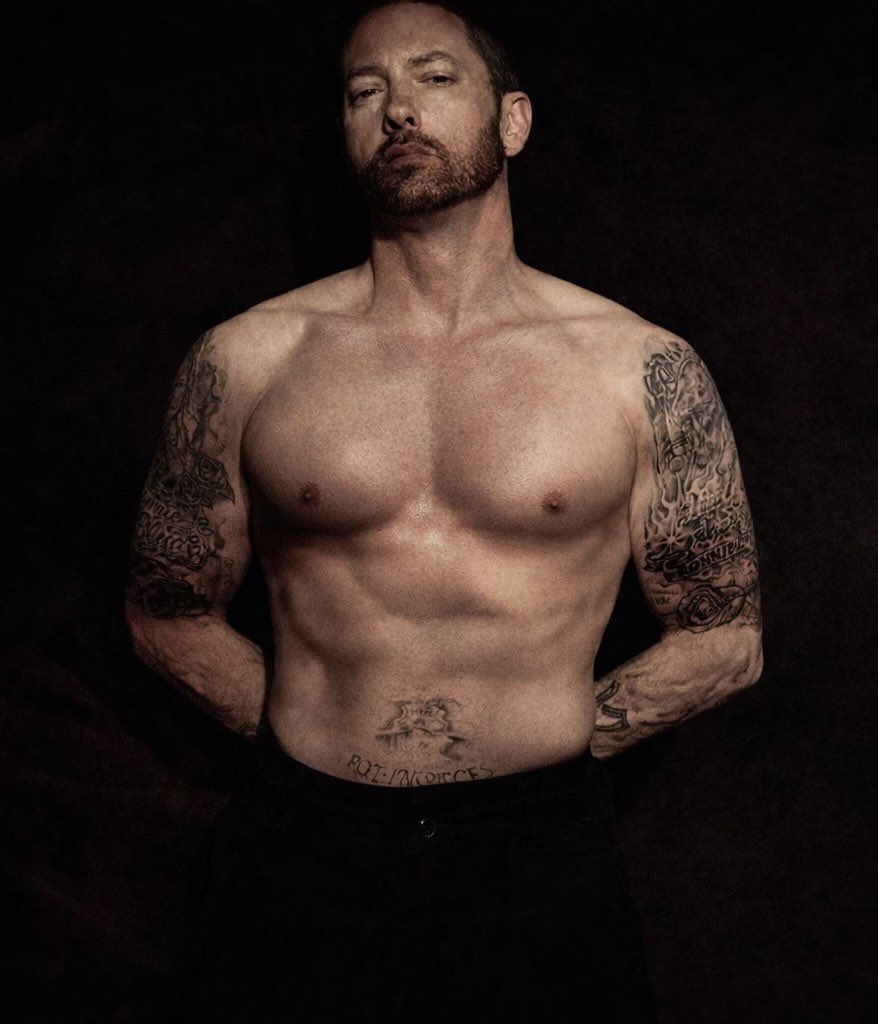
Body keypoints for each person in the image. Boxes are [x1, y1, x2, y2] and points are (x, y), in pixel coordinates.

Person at [126, 2, 763, 1020]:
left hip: (538, 851)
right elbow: (165, 610)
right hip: (301, 849)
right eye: (363, 90)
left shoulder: (638, 368)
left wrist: (549, 744)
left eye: (433, 77)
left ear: (511, 121)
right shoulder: (245, 362)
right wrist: (307, 746)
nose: (396, 110)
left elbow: (723, 635)